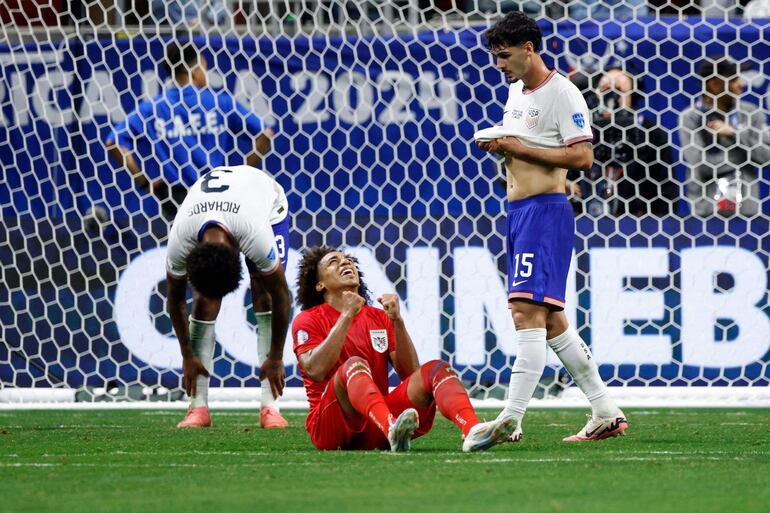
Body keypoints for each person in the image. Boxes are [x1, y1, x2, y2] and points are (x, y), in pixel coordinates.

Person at [474, 12, 628, 442]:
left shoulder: (564, 93)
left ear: (529, 48)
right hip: (520, 215)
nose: (499, 64)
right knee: (553, 319)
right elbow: (527, 149)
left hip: (545, 212)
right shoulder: (515, 93)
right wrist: (503, 149)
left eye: (504, 56)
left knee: (525, 311)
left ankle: (511, 418)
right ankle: (605, 410)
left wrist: (517, 146)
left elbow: (582, 159)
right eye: (495, 57)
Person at [291, 246, 515, 452]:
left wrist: (397, 321)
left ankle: (473, 430)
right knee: (355, 364)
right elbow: (315, 369)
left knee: (436, 368)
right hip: (332, 428)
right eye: (334, 261)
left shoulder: (378, 317)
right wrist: (347, 315)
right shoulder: (307, 320)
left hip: (376, 422)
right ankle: (391, 429)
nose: (345, 262)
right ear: (320, 284)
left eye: (348, 259)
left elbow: (410, 375)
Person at [166, 165, 291, 429]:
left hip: (268, 208)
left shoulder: (256, 235)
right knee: (204, 301)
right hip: (223, 205)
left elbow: (282, 295)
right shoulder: (180, 238)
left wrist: (277, 357)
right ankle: (198, 408)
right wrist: (187, 355)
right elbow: (175, 298)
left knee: (265, 293)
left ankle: (270, 407)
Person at [105, 41, 274, 221]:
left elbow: (113, 142)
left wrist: (145, 182)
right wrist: (241, 175)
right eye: (204, 68)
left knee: (186, 248)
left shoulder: (152, 108)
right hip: (216, 196)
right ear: (194, 70)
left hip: (176, 200)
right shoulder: (220, 102)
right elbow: (266, 134)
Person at [569, 66, 678, 216]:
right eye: (605, 90)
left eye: (618, 90)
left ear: (632, 96)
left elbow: (666, 187)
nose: (611, 98)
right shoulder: (583, 130)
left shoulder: (650, 132)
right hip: (586, 221)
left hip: (637, 225)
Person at [679, 55, 770, 217]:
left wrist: (734, 134)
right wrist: (746, 155)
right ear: (714, 84)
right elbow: (701, 166)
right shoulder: (691, 117)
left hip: (748, 213)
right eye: (734, 79)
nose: (741, 84)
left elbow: (767, 158)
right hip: (706, 214)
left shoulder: (752, 113)